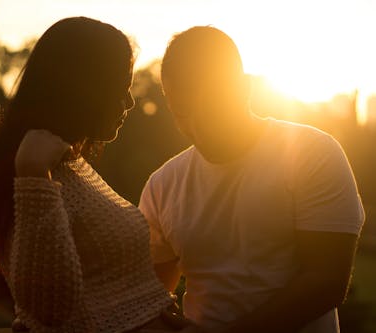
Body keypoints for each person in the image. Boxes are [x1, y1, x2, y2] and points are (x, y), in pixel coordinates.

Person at [139, 26, 365, 333]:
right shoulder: (162, 185)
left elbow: (327, 282)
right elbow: (151, 294)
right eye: (182, 113)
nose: (198, 128)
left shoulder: (313, 154)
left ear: (244, 89)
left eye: (211, 110)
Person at [0, 17, 185, 333]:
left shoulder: (73, 168)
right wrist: (33, 176)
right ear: (84, 88)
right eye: (120, 88)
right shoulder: (32, 177)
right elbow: (49, 308)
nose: (129, 103)